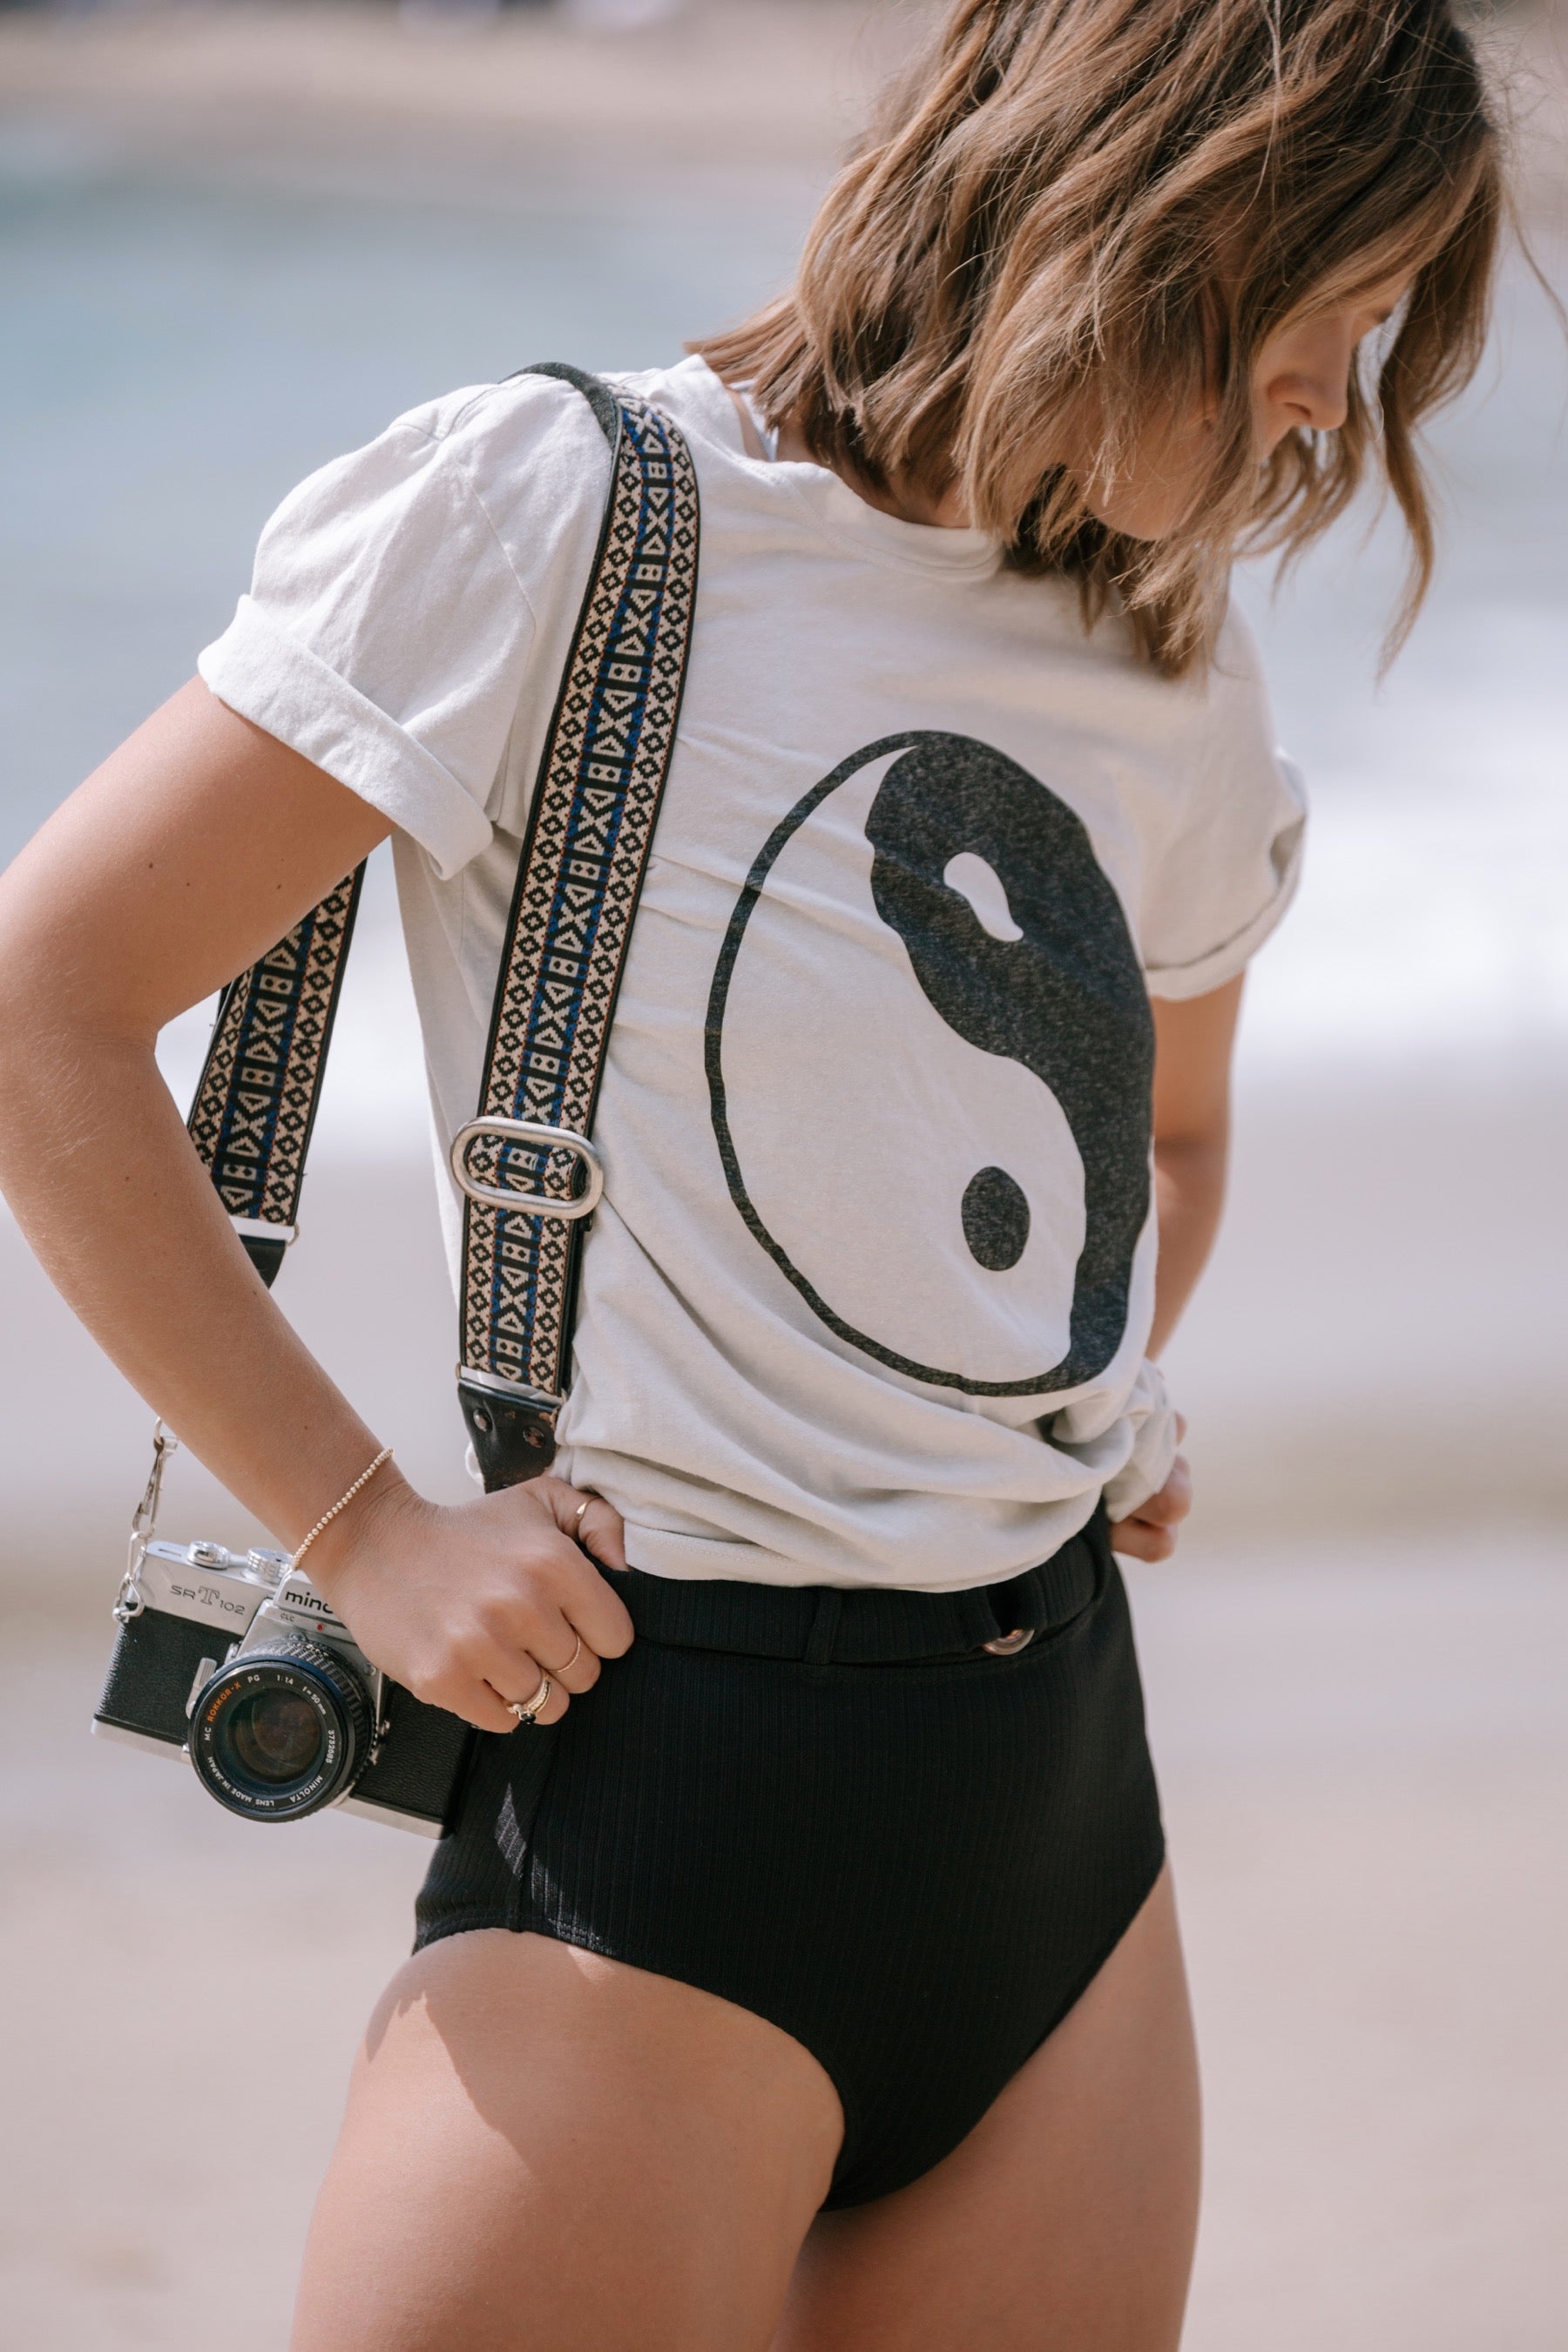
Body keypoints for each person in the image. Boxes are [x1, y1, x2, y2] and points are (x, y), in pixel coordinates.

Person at [0, 0, 1503, 2343]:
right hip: (649, 1803)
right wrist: (362, 1529)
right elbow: (46, 1004)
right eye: (1325, 314)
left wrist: (1086, 1375)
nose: (1336, 403)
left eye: (1378, 337)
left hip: (1059, 1835)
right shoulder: (566, 512)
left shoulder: (1171, 662)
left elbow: (1169, 1143)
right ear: (1145, 217)